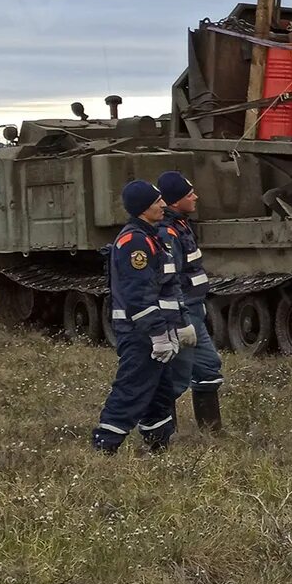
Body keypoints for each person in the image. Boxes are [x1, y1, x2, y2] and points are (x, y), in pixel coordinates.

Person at [93, 179, 187, 454]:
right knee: (132, 388)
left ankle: (159, 444)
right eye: (157, 201)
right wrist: (158, 334)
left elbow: (165, 287)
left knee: (160, 391)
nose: (162, 204)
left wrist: (175, 327)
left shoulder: (151, 236)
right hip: (140, 332)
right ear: (143, 208)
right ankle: (104, 447)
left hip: (155, 329)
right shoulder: (135, 241)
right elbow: (139, 296)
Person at [157, 169, 227, 434]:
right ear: (175, 201)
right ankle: (162, 434)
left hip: (194, 309)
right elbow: (168, 280)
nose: (196, 197)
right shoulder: (168, 234)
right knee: (176, 378)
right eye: (189, 194)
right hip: (181, 313)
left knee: (209, 368)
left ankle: (212, 431)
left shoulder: (182, 225)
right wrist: (180, 318)